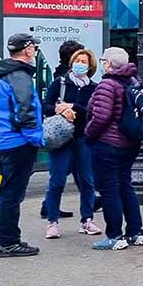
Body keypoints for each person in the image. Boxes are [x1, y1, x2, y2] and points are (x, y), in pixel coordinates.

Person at [0, 33, 44, 258]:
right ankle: (9, 242)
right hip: (17, 142)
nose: (36, 52)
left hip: (2, 141)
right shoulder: (19, 76)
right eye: (34, 47)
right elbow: (25, 110)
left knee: (7, 193)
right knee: (13, 194)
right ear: (28, 49)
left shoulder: (1, 73)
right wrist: (35, 138)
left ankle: (1, 239)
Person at [85, 47, 143, 250]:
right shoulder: (133, 81)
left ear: (108, 64)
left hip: (108, 144)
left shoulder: (107, 84)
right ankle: (136, 232)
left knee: (109, 189)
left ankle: (114, 235)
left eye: (103, 60)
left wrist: (89, 133)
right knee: (126, 186)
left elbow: (101, 116)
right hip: (130, 143)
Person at [41, 48, 102, 239]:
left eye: (84, 61)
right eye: (78, 60)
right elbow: (45, 106)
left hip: (83, 138)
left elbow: (93, 112)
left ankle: (87, 220)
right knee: (57, 180)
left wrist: (74, 107)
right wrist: (59, 109)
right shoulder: (59, 83)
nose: (80, 64)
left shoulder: (94, 88)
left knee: (86, 180)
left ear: (90, 66)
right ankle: (52, 222)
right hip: (61, 139)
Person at [39, 39, 84, 221]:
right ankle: (48, 207)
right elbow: (47, 106)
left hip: (72, 133)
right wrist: (64, 108)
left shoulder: (61, 74)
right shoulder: (64, 79)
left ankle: (50, 205)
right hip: (67, 132)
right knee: (64, 172)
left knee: (75, 171)